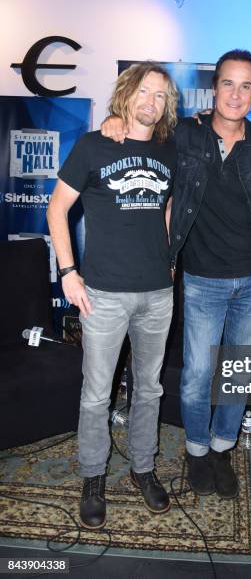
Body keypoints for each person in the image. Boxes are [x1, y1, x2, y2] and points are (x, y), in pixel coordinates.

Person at [102, 50, 251, 499]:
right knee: (199, 373)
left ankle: (222, 448)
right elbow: (142, 129)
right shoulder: (184, 136)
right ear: (214, 88)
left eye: (246, 86)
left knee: (238, 372)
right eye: (228, 83)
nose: (236, 94)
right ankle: (197, 451)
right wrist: (113, 122)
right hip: (202, 278)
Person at [47, 61, 178, 529]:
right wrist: (68, 272)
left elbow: (164, 208)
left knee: (151, 388)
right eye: (144, 91)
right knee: (96, 394)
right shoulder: (93, 144)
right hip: (102, 294)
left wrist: (168, 262)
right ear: (126, 93)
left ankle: (143, 468)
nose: (151, 101)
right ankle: (93, 476)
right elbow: (57, 208)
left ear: (167, 105)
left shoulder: (169, 151)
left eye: (160, 95)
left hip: (157, 295)